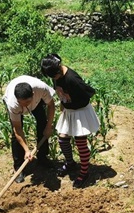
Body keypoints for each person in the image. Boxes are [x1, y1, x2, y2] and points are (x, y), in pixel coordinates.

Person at [41, 53, 100, 189]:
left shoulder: (73, 79)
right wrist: (64, 104)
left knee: (80, 143)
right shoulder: (56, 75)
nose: (53, 78)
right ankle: (70, 163)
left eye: (54, 76)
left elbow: (88, 94)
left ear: (59, 68)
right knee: (62, 139)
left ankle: (84, 172)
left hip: (80, 112)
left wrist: (72, 105)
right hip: (69, 110)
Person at [2, 75, 55, 183]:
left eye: (27, 102)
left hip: (37, 102)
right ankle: (18, 167)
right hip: (17, 104)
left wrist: (49, 126)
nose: (25, 106)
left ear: (33, 95)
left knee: (42, 124)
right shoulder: (13, 103)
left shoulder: (41, 89)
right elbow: (18, 129)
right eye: (22, 103)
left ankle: (43, 158)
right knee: (15, 135)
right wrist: (27, 150)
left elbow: (51, 105)